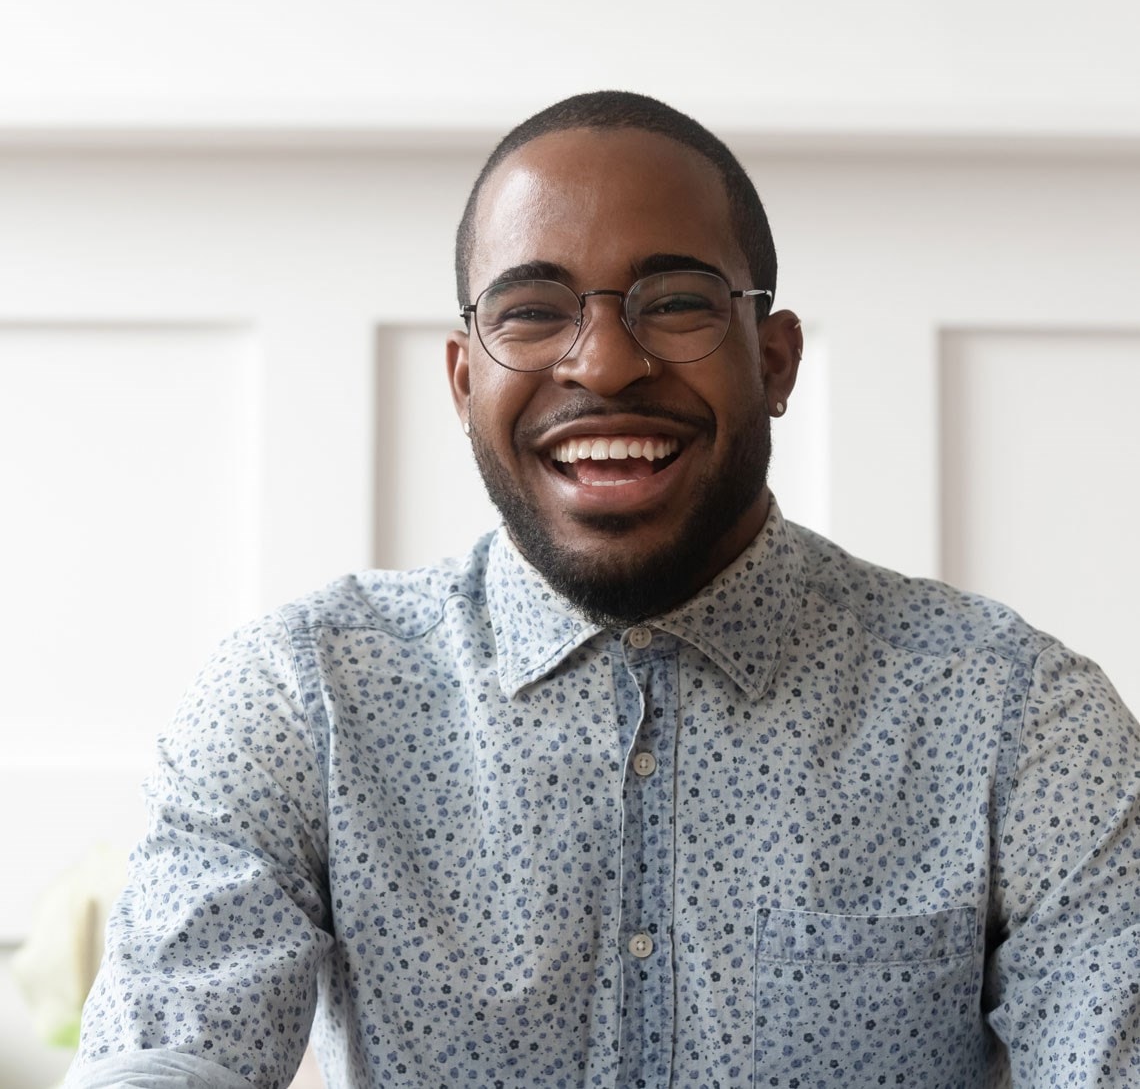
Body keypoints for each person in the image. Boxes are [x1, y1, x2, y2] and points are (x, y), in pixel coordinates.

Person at [66, 91, 1140, 1088]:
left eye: (674, 303)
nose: (607, 363)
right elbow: (167, 1057)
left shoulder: (1017, 717)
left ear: (774, 360)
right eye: (532, 311)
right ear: (464, 378)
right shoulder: (305, 701)